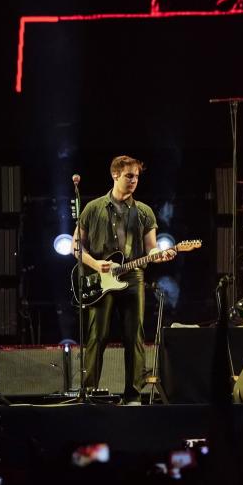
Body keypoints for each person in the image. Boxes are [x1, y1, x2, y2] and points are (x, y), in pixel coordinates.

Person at [73, 155, 176, 404]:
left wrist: (159, 255)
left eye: (137, 177)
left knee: (135, 336)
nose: (134, 181)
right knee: (97, 335)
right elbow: (76, 248)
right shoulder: (93, 208)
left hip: (132, 277)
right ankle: (89, 393)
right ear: (115, 175)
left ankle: (133, 395)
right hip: (100, 278)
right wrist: (96, 264)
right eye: (129, 175)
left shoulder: (144, 212)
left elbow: (151, 248)